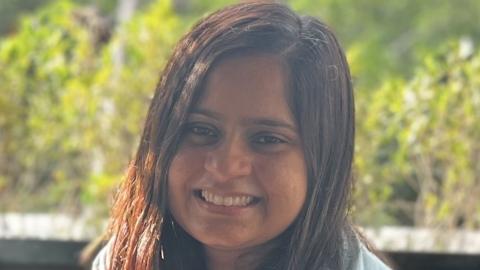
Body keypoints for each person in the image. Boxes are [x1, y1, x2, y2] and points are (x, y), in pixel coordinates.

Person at [92, 1, 392, 269]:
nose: (225, 166)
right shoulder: (121, 260)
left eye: (266, 139)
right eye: (201, 130)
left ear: (325, 159)